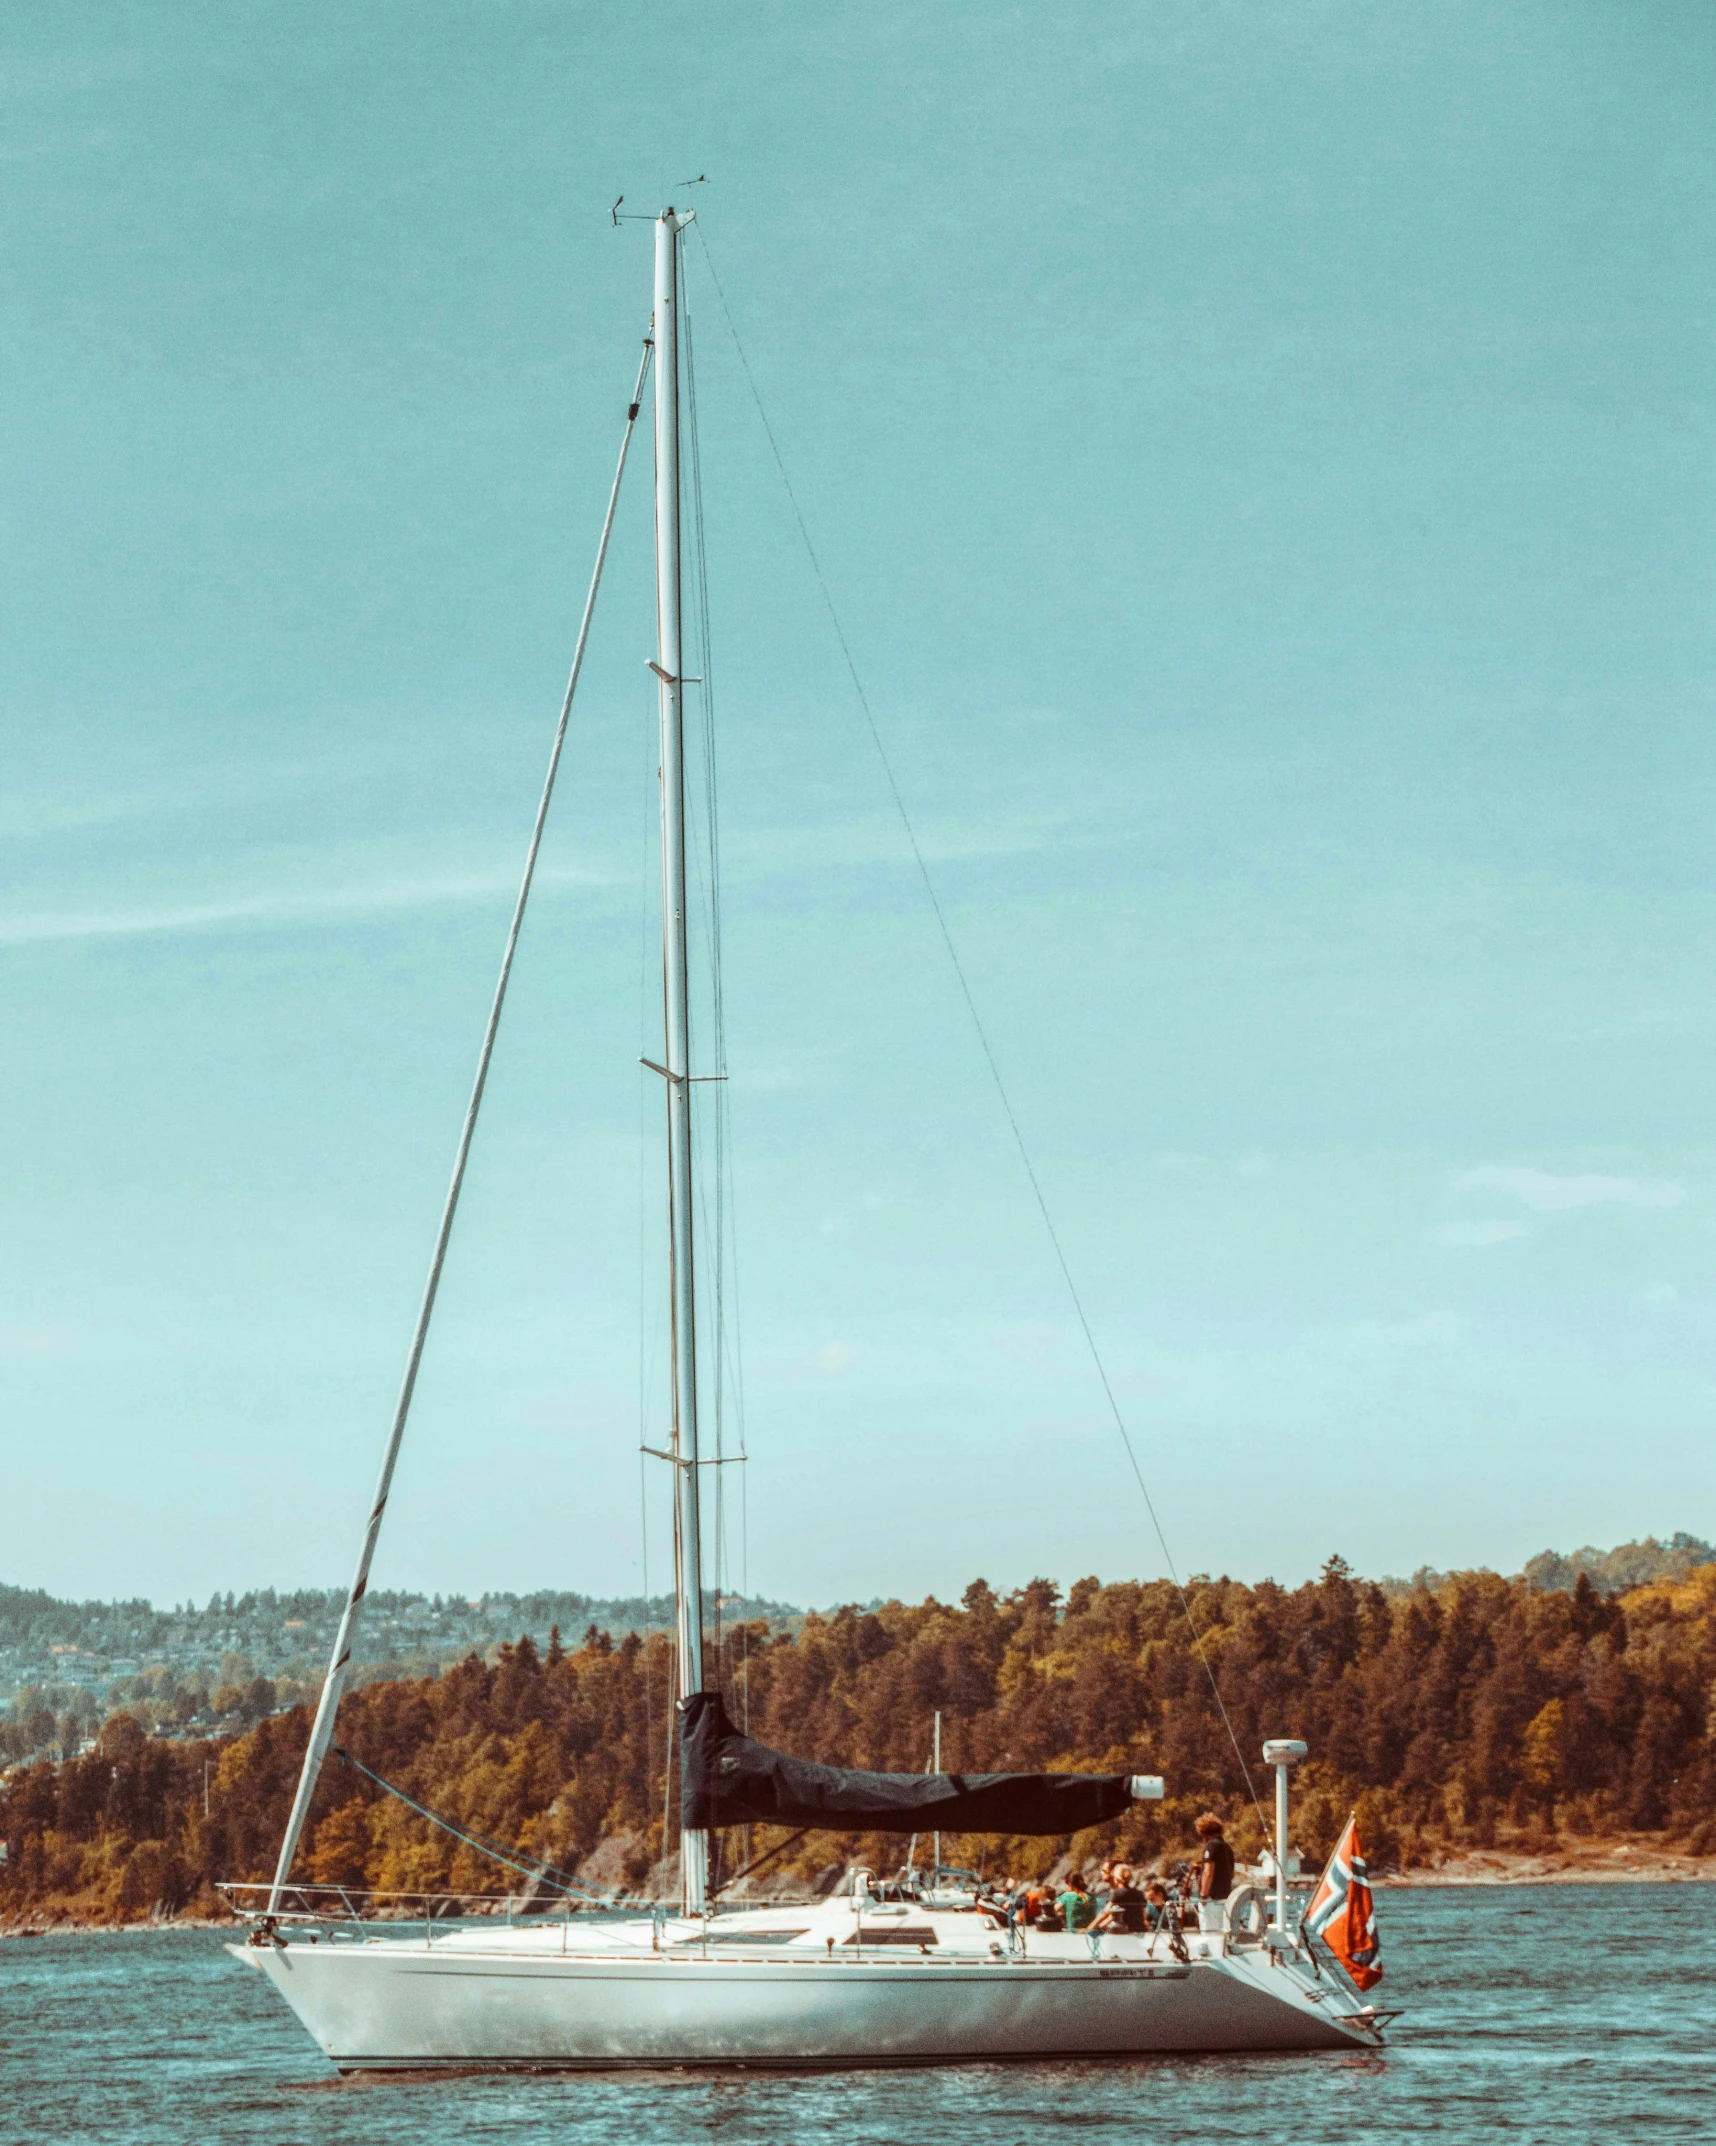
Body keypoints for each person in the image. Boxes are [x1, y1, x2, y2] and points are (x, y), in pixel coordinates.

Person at [1195, 1812, 1235, 1931]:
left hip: (1211, 1899)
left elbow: (1208, 1871)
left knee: (1209, 1933)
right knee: (1221, 1933)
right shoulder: (1227, 1847)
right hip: (1225, 1898)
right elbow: (1231, 1873)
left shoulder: (1211, 1846)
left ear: (1204, 1832)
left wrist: (1203, 1896)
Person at [1094, 1863, 1146, 1933]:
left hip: (1124, 1931)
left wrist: (1090, 1928)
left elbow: (1105, 1913)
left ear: (1117, 1879)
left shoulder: (1117, 1893)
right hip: (1140, 1931)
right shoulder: (1139, 1893)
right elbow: (1143, 1915)